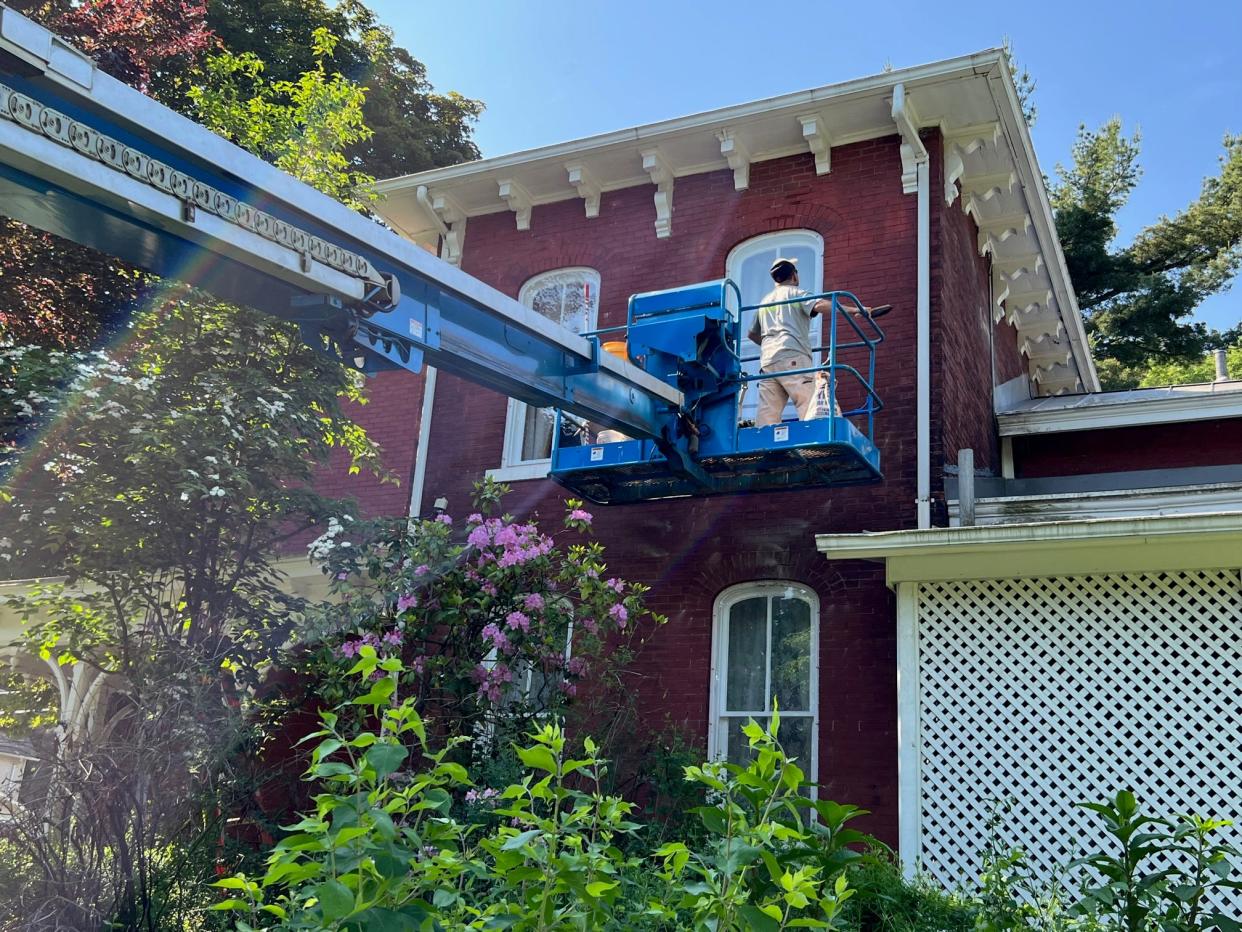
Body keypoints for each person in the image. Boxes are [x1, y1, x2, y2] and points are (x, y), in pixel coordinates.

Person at [747, 257, 832, 427]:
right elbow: (821, 305)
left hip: (768, 362)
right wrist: (853, 310)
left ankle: (764, 446)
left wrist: (770, 344)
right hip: (793, 357)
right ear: (794, 276)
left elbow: (751, 334)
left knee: (767, 413)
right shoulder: (796, 293)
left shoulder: (765, 302)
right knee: (807, 402)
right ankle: (811, 439)